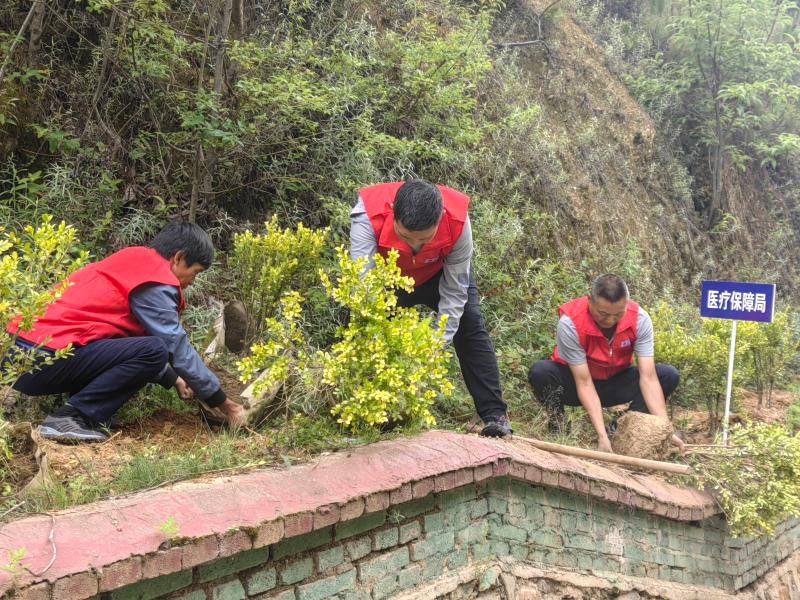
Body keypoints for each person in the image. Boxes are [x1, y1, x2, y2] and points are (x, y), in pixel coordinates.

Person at [7, 222, 244, 442]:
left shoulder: (134, 262)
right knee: (155, 349)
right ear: (178, 258)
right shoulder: (156, 280)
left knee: (151, 348)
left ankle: (83, 417)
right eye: (196, 272)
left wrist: (173, 378)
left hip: (18, 356)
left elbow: (122, 345)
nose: (193, 281)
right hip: (43, 359)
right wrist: (226, 405)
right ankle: (71, 417)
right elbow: (174, 346)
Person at [350, 179, 511, 437]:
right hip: (388, 278)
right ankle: (367, 408)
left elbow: (455, 293)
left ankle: (495, 415)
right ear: (393, 214)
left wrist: (436, 344)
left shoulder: (458, 221)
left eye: (425, 239)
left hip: (439, 275)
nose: (415, 245)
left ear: (440, 219)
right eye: (405, 237)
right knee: (364, 328)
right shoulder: (368, 215)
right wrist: (381, 336)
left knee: (469, 323)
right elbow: (364, 288)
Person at [528, 273, 684, 453]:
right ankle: (559, 425)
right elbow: (584, 383)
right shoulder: (570, 323)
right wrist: (600, 436)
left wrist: (665, 429)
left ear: (627, 304)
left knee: (667, 375)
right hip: (578, 384)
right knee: (541, 372)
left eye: (618, 314)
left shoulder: (640, 319)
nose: (610, 320)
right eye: (603, 314)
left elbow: (648, 378)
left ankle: (621, 429)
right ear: (589, 300)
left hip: (615, 382)